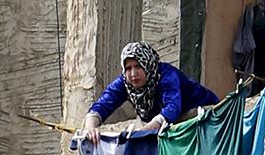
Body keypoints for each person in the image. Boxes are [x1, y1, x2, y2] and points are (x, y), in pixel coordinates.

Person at [82, 42, 219, 143]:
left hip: (203, 116)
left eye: (138, 66)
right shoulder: (125, 83)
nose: (133, 73)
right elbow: (102, 104)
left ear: (148, 64)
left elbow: (172, 107)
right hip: (168, 124)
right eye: (128, 68)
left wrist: (145, 130)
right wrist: (90, 128)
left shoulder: (166, 75)